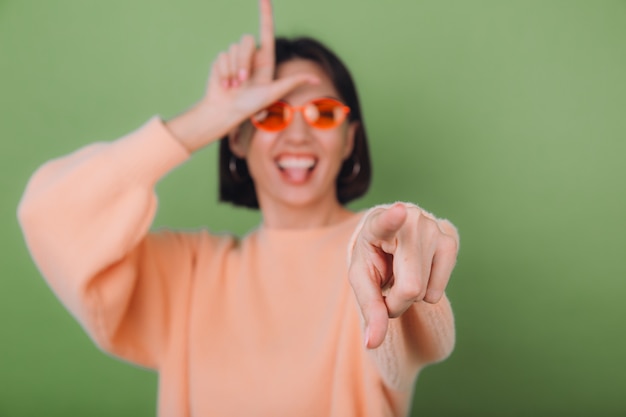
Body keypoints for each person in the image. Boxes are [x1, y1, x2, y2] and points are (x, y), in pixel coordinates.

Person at [17, 0, 459, 416]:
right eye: (270, 114)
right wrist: (207, 115)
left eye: (323, 113)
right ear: (237, 137)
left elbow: (409, 343)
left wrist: (399, 260)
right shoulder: (189, 275)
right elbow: (50, 214)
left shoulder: (376, 254)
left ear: (349, 138)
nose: (299, 135)